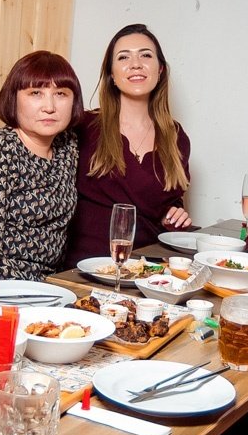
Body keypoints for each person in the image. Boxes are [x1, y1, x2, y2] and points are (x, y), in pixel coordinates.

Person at [62, 23, 193, 265]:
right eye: (123, 57)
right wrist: (2, 141)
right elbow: (38, 153)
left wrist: (174, 215)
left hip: (149, 268)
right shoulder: (83, 126)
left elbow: (169, 202)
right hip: (84, 268)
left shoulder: (176, 136)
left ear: (160, 69)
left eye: (146, 55)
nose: (136, 64)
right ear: (111, 74)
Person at [0, 51, 83, 280]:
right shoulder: (0, 148)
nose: (49, 106)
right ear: (13, 98)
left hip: (54, 281)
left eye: (61, 94)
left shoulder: (68, 145)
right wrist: (28, 291)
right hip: (3, 282)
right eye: (36, 93)